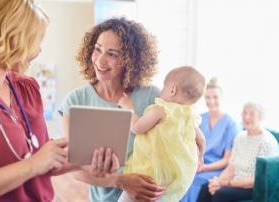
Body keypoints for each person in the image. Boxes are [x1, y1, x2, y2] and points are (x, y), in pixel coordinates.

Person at [0, 0, 115, 201]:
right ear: (12, 39)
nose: (38, 51)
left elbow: (43, 159)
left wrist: (86, 159)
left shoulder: (26, 88)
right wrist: (33, 165)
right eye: (36, 41)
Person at [58, 17, 166, 201]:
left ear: (130, 60)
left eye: (112, 54)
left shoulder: (151, 97)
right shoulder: (76, 100)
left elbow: (176, 132)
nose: (100, 60)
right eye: (98, 49)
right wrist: (121, 181)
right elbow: (74, 168)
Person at [117, 66, 206, 202]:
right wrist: (200, 157)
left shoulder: (161, 110)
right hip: (170, 181)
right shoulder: (189, 117)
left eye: (164, 86)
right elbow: (202, 140)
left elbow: (137, 127)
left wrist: (129, 108)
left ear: (172, 90)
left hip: (148, 174)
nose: (160, 91)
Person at [197, 102, 279, 202]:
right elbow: (231, 166)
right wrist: (219, 181)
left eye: (251, 114)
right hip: (234, 181)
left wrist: (227, 183)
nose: (247, 117)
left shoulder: (267, 142)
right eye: (244, 113)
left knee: (220, 195)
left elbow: (257, 180)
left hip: (253, 187)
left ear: (261, 118)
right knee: (206, 188)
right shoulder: (240, 137)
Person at [181, 77, 241, 202]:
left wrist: (204, 168)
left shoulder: (231, 124)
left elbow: (227, 160)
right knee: (179, 176)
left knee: (194, 181)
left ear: (222, 98)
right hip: (197, 164)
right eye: (208, 97)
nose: (211, 101)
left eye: (215, 97)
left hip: (217, 168)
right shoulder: (199, 119)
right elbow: (190, 145)